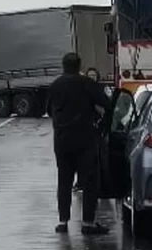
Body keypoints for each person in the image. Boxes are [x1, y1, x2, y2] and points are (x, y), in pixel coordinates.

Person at [47, 52, 110, 235]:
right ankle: (88, 223)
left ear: (63, 65)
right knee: (90, 181)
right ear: (79, 66)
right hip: (85, 140)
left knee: (64, 181)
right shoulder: (87, 84)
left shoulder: (55, 85)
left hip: (62, 141)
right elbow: (107, 104)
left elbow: (49, 110)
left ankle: (63, 221)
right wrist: (98, 119)